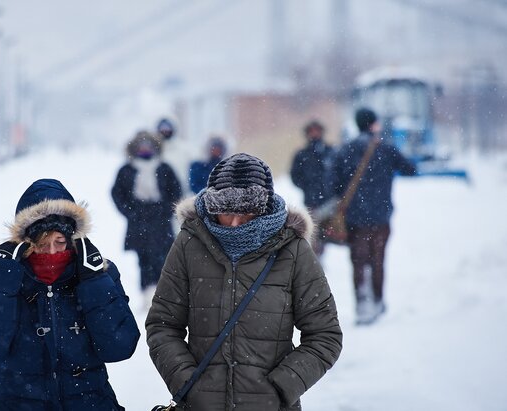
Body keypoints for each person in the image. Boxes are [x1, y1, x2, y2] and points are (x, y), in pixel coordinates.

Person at [146, 153, 343, 411]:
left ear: (263, 210)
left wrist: (281, 387)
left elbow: (325, 335)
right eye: (226, 212)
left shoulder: (293, 251)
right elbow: (163, 326)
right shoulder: (188, 244)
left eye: (247, 213)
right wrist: (189, 385)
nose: (236, 223)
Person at [0, 178, 140, 410]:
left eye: (60, 242)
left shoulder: (98, 274)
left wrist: (95, 281)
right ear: (25, 243)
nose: (52, 252)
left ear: (72, 240)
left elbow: (120, 347)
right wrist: (1, 279)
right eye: (42, 244)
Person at [332, 108, 417, 325]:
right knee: (377, 259)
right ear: (374, 125)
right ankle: (378, 301)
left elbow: (332, 184)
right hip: (381, 217)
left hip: (355, 219)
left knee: (358, 261)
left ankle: (362, 305)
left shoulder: (346, 150)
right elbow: (410, 169)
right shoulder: (385, 149)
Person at [111, 130, 182, 308]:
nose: (144, 149)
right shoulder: (126, 169)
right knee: (143, 260)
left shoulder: (164, 168)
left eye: (148, 146)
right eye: (141, 146)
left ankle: (163, 295)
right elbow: (117, 194)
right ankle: (146, 295)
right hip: (138, 222)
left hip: (161, 222)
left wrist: (166, 210)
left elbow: (176, 192)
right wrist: (131, 212)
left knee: (164, 259)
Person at [289, 120, 335, 256]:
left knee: (329, 231)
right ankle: (316, 258)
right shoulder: (302, 154)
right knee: (314, 232)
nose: (314, 134)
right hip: (311, 200)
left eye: (317, 131)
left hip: (330, 201)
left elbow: (337, 173)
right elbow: (295, 175)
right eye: (311, 131)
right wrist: (307, 187)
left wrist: (331, 188)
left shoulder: (330, 151)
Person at [157, 117, 192, 196]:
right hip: (161, 194)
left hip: (181, 191)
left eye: (167, 128)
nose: (165, 131)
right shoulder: (155, 150)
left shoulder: (183, 149)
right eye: (162, 129)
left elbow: (188, 171)